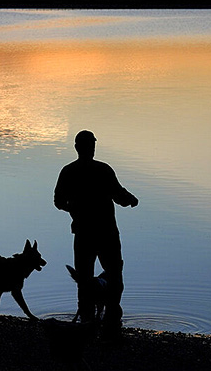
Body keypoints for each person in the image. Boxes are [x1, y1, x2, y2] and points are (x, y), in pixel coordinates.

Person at [54, 130, 138, 335]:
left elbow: (58, 202)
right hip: (106, 231)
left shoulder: (68, 171)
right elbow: (119, 195)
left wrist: (73, 210)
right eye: (91, 145)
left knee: (84, 280)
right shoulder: (103, 170)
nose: (92, 148)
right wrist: (132, 200)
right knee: (115, 276)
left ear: (76, 148)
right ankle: (111, 320)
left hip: (83, 232)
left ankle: (87, 322)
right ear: (91, 147)